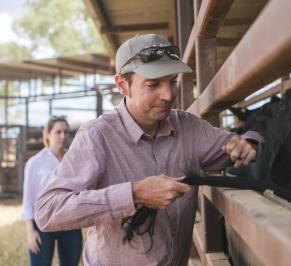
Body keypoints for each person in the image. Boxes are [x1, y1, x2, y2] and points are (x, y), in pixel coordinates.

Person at [34, 34, 263, 266]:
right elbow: (48, 210)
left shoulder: (189, 128)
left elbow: (237, 145)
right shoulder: (97, 136)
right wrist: (133, 194)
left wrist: (248, 144)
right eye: (153, 84)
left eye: (172, 81)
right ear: (123, 85)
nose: (168, 95)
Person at [22, 116, 82, 266]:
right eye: (58, 132)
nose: (63, 136)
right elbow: (28, 200)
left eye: (66, 132)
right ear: (47, 134)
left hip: (70, 222)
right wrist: (30, 232)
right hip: (43, 223)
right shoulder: (35, 163)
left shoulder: (74, 159)